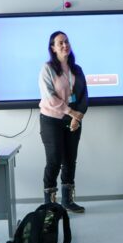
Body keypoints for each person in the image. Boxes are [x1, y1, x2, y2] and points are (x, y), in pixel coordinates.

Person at [38, 31, 88, 213]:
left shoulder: (77, 69)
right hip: (51, 120)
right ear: (53, 48)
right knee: (54, 160)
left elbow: (84, 95)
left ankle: (68, 201)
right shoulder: (47, 68)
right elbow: (50, 97)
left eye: (66, 41)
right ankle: (50, 205)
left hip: (73, 119)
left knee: (70, 160)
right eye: (60, 43)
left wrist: (77, 117)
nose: (65, 45)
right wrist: (72, 113)